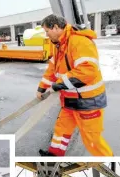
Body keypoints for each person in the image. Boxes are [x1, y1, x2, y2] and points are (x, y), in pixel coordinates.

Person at [37, 14, 113, 156]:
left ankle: (109, 163)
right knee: (61, 129)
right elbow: (53, 69)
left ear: (56, 27)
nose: (46, 35)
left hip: (88, 102)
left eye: (47, 31)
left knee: (92, 140)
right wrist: (42, 88)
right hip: (70, 100)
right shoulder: (58, 45)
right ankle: (54, 156)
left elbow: (87, 70)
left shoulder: (79, 42)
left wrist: (58, 85)